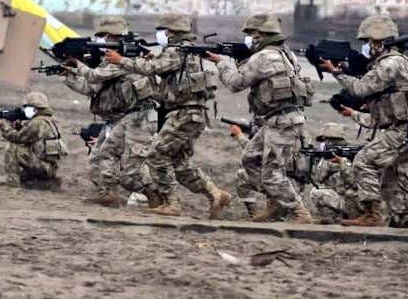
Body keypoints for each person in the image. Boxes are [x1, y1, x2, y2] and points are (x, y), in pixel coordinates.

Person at [103, 13, 231, 218]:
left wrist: (121, 60)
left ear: (171, 32)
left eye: (162, 30)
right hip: (190, 114)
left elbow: (150, 68)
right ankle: (215, 194)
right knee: (180, 164)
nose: (159, 34)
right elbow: (165, 69)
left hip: (183, 113)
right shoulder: (188, 51)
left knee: (156, 154)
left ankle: (172, 203)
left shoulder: (176, 50)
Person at [319, 15, 408, 228]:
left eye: (369, 42)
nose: (367, 47)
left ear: (380, 42)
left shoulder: (391, 63)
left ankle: (372, 215)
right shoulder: (397, 61)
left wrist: (336, 72)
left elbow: (361, 89)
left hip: (403, 129)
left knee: (363, 161)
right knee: (392, 177)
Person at [208, 13, 314, 223]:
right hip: (277, 119)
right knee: (250, 158)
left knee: (271, 174)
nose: (249, 38)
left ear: (262, 35)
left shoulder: (263, 57)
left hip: (282, 122)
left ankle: (300, 212)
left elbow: (235, 83)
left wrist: (220, 63)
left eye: (252, 34)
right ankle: (275, 202)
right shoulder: (284, 53)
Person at [61, 16, 157, 207]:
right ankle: (108, 193)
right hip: (119, 117)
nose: (100, 40)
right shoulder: (110, 59)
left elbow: (95, 76)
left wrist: (77, 64)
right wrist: (69, 76)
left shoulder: (126, 57)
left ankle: (154, 195)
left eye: (104, 36)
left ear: (114, 35)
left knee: (132, 165)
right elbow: (91, 88)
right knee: (100, 157)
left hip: (138, 117)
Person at [0, 92, 68, 190]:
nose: (25, 110)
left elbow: (17, 138)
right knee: (24, 156)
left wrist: (3, 126)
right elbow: (32, 138)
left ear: (35, 109)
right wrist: (19, 127)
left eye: (27, 107)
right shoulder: (50, 121)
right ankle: (40, 183)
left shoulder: (37, 123)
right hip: (51, 166)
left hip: (44, 167)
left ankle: (12, 184)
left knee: (12, 149)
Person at [306, 122, 362, 224]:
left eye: (327, 140)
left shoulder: (349, 155)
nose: (325, 143)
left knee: (316, 193)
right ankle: (335, 218)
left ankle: (336, 219)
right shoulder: (342, 154)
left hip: (353, 201)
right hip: (344, 199)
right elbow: (318, 179)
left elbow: (352, 182)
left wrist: (340, 163)